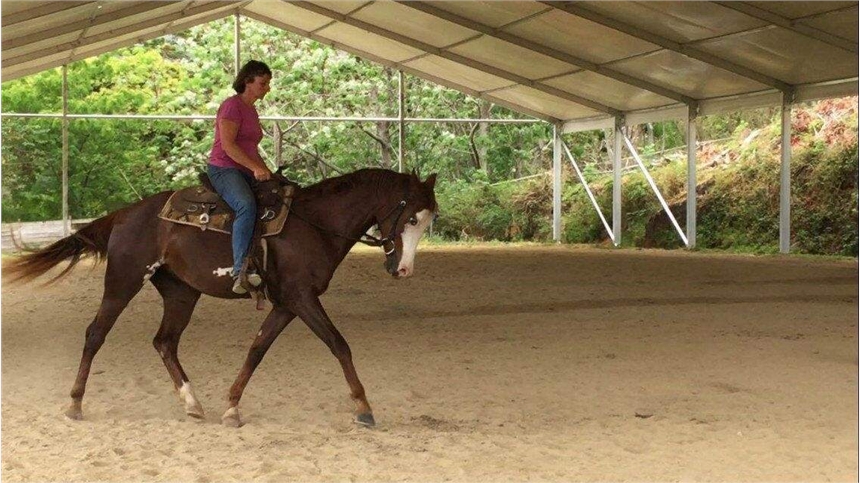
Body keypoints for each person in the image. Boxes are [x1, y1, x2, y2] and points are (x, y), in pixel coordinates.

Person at [208, 60, 273, 294]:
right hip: (224, 168)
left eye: (267, 84)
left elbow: (251, 148)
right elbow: (228, 146)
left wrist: (268, 172)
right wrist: (255, 169)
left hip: (245, 168)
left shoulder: (251, 110)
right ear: (248, 81)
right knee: (246, 205)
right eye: (263, 83)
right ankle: (240, 269)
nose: (267, 88)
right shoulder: (231, 106)